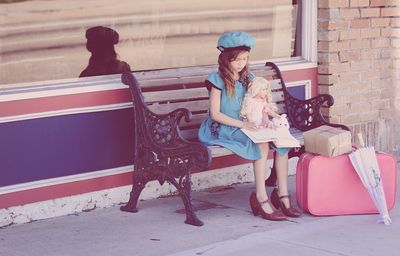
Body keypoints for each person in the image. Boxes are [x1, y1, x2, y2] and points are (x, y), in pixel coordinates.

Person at [198, 31, 301, 221]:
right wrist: (243, 124)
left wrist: (267, 120)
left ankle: (282, 195)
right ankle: (260, 196)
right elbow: (216, 114)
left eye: (245, 59)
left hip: (249, 123)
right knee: (261, 145)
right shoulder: (217, 79)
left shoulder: (249, 78)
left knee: (281, 142)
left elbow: (260, 103)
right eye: (236, 60)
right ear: (226, 59)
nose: (241, 64)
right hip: (224, 126)